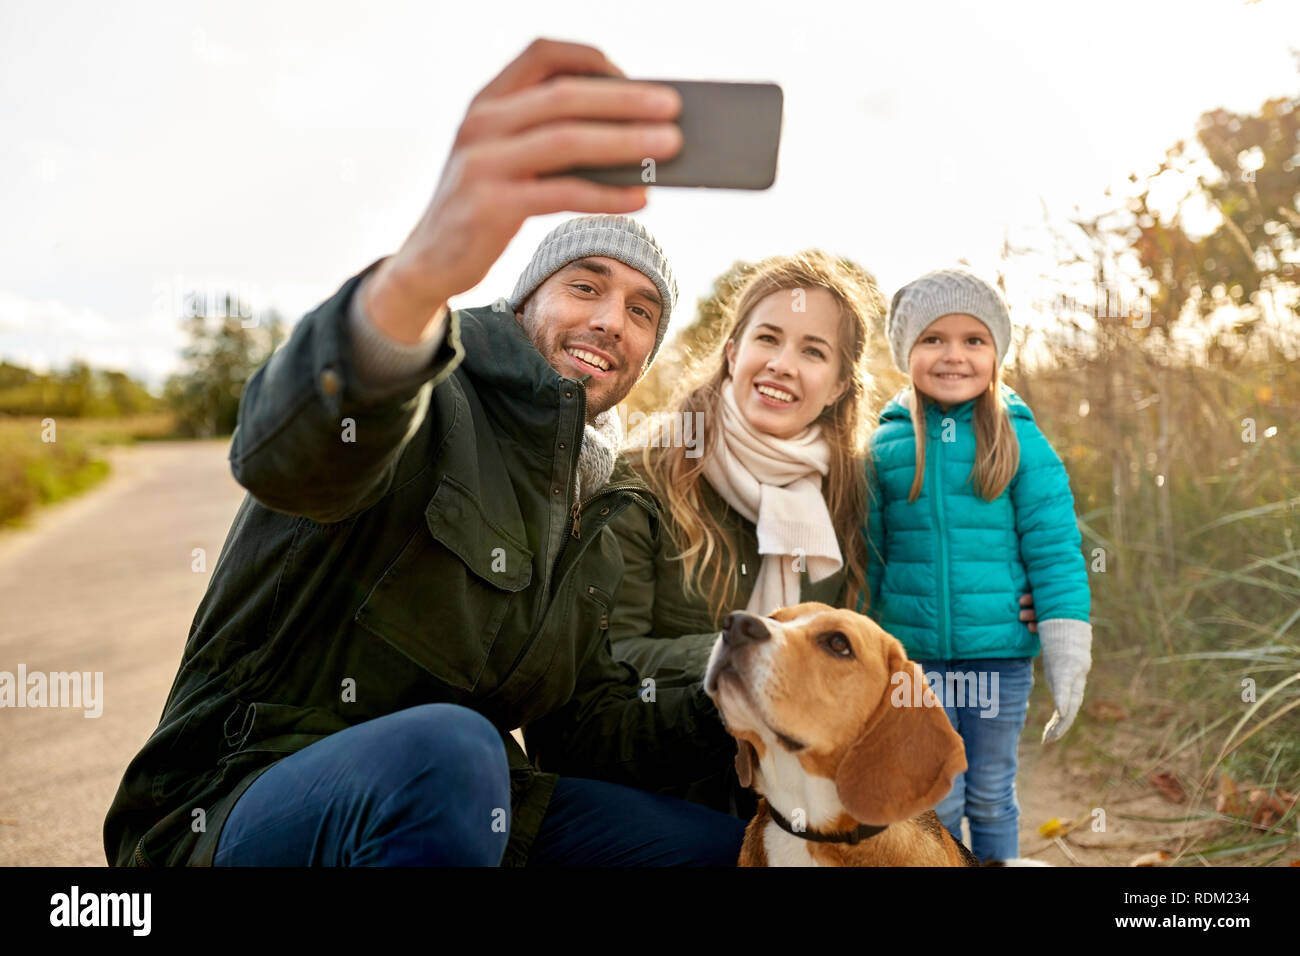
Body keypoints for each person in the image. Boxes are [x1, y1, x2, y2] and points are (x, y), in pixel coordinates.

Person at [103, 39, 747, 867]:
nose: (610, 321)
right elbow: (286, 456)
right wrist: (419, 276)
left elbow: (588, 728)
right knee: (450, 751)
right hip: (237, 797)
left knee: (720, 854)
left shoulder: (601, 499)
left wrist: (751, 678)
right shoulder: (428, 391)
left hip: (476, 809)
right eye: (584, 285)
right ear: (524, 303)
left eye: (641, 311)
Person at [607, 250, 885, 817]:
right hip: (667, 789)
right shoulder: (645, 476)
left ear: (837, 387)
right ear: (733, 353)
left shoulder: (851, 495)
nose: (783, 364)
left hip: (803, 794)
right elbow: (612, 655)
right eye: (768, 338)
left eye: (812, 351)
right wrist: (748, 655)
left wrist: (1016, 599)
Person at [862, 267, 1093, 863]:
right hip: (913, 664)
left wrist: (1066, 643)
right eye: (933, 339)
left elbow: (1054, 546)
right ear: (906, 352)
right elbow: (867, 556)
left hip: (999, 657)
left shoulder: (1019, 440)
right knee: (938, 795)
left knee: (990, 792)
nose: (954, 356)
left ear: (996, 353)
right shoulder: (885, 447)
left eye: (974, 340)